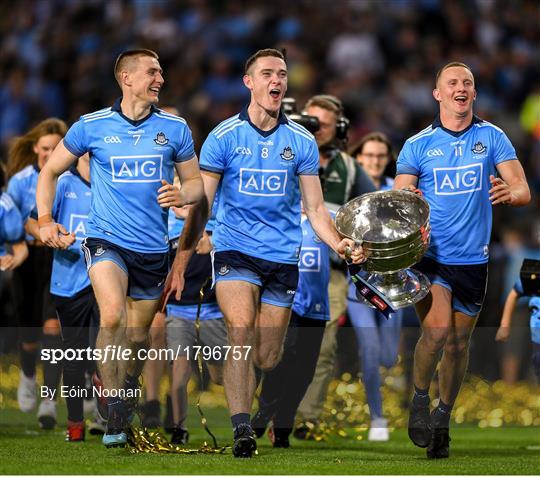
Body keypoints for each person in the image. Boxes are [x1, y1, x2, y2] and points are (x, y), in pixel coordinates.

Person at [166, 48, 364, 458]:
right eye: (268, 73)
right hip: (236, 250)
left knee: (268, 356)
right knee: (240, 329)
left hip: (282, 259)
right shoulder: (224, 136)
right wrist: (182, 262)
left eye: (283, 74)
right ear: (249, 82)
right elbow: (202, 204)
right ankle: (242, 429)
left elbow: (313, 209)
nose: (277, 80)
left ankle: (233, 378)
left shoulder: (301, 141)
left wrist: (339, 243)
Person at [36, 49, 205, 448]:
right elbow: (50, 171)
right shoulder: (91, 126)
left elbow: (196, 184)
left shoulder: (175, 128)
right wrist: (45, 220)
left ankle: (123, 390)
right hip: (105, 239)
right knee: (111, 317)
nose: (160, 78)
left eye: (162, 71)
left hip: (151, 249)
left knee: (137, 336)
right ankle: (112, 410)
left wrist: (183, 192)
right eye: (152, 71)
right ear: (126, 78)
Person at [394, 62, 530, 459]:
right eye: (452, 82)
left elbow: (523, 189)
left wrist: (510, 192)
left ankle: (442, 417)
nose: (461, 87)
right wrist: (411, 201)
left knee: (456, 345)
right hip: (431, 257)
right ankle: (419, 397)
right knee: (436, 335)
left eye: (467, 82)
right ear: (437, 94)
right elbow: (400, 198)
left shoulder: (493, 137)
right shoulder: (418, 144)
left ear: (473, 93)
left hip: (473, 260)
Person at [294, 95, 376, 439]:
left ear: (339, 128)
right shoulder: (288, 153)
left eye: (323, 124)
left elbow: (373, 212)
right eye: (310, 122)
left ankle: (304, 417)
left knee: (323, 345)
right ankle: (271, 408)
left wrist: (362, 245)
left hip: (330, 272)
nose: (315, 129)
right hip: (283, 266)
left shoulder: (352, 169)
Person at [27, 153, 100, 441]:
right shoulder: (63, 183)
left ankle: (108, 418)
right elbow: (32, 223)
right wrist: (50, 232)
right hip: (69, 281)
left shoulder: (113, 183)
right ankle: (75, 424)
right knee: (74, 357)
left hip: (106, 279)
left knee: (105, 351)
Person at [250, 207, 331, 449]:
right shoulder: (279, 217)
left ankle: (283, 421)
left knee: (305, 371)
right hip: (287, 302)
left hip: (317, 307)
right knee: (284, 358)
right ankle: (266, 411)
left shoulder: (327, 219)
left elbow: (348, 242)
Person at [7, 118, 67, 429]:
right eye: (45, 148)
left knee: (52, 329)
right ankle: (29, 375)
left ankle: (49, 399)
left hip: (59, 259)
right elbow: (12, 219)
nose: (49, 153)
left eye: (55, 148)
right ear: (35, 149)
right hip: (27, 258)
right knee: (29, 335)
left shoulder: (68, 179)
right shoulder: (20, 182)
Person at [346, 132, 406, 441]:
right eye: (369, 156)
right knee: (370, 352)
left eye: (380, 156)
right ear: (358, 158)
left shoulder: (395, 194)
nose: (374, 161)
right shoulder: (348, 193)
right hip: (358, 289)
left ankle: (389, 386)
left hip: (390, 289)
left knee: (388, 357)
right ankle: (377, 417)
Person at [165, 199, 226, 445]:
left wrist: (212, 240)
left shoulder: (215, 218)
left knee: (220, 376)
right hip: (178, 311)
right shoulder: (166, 223)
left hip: (212, 310)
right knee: (179, 374)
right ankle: (179, 428)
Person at [496, 259, 540, 382]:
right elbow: (513, 295)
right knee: (514, 349)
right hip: (522, 309)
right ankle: (509, 389)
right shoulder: (533, 273)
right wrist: (504, 325)